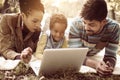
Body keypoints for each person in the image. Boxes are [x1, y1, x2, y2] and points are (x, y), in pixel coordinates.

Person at [69, 0, 120, 76]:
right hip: (73, 52)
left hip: (92, 53)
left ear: (103, 22)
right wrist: (95, 64)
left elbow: (110, 55)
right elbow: (75, 56)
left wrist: (108, 66)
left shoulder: (114, 28)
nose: (86, 28)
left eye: (91, 25)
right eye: (84, 22)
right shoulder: (75, 25)